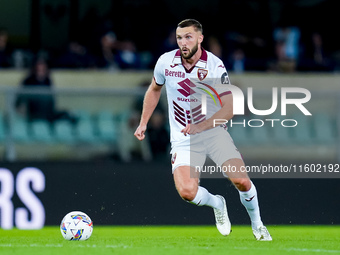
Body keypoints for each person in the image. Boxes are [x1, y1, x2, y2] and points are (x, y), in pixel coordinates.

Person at [134, 19, 272, 241]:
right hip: (183, 137)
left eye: (188, 37)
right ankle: (218, 203)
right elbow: (154, 90)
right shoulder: (165, 62)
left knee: (242, 181)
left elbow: (230, 107)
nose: (183, 42)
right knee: (187, 192)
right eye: (179, 37)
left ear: (200, 38)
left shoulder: (215, 65)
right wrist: (143, 122)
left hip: (213, 134)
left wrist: (202, 125)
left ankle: (258, 225)